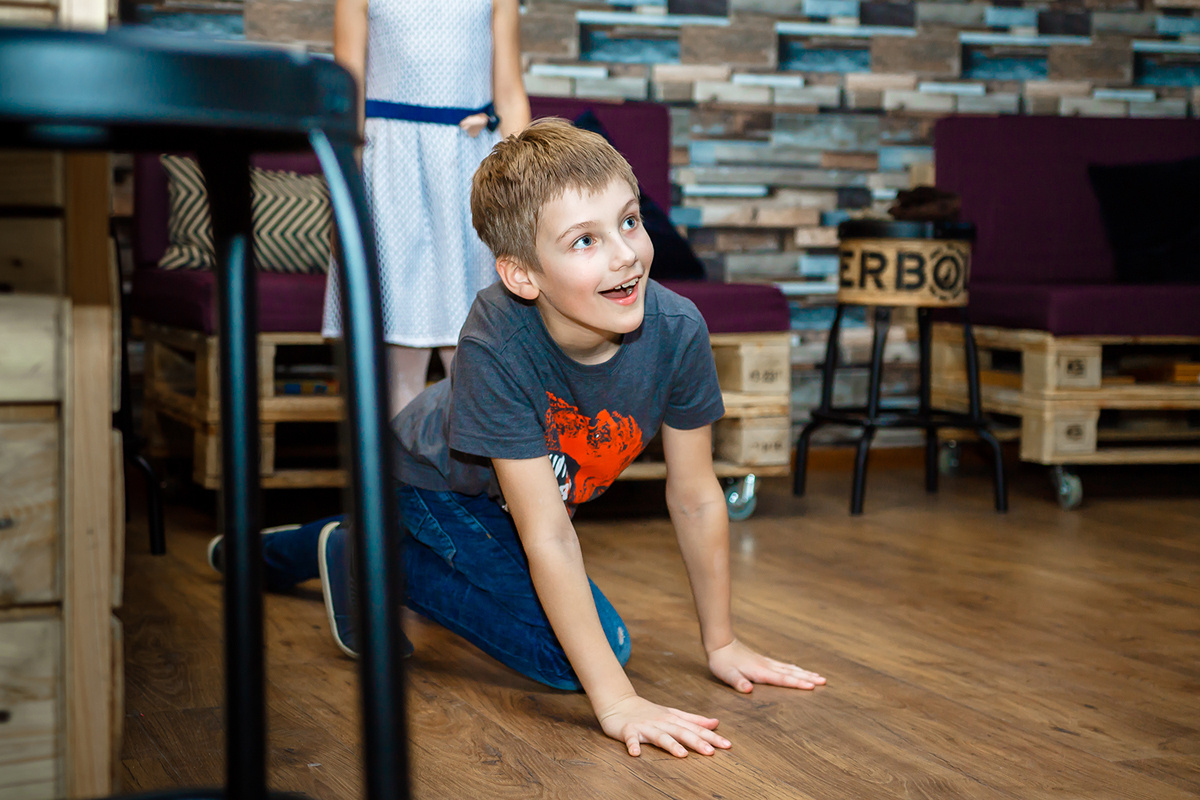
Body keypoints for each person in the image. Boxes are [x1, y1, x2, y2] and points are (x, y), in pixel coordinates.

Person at [210, 119, 825, 758]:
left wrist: (720, 642)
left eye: (630, 222)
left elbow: (697, 496)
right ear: (523, 275)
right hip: (435, 483)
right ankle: (366, 555)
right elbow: (550, 535)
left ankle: (351, 542)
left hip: (502, 501)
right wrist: (617, 704)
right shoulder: (494, 341)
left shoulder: (678, 330)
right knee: (581, 659)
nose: (625, 254)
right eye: (585, 240)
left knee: (578, 642)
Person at [322, 0, 531, 417]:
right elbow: (348, 95)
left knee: (477, 341)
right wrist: (343, 190)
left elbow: (508, 94)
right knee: (399, 351)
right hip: (390, 171)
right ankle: (401, 477)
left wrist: (527, 192)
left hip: (473, 170)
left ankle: (476, 476)